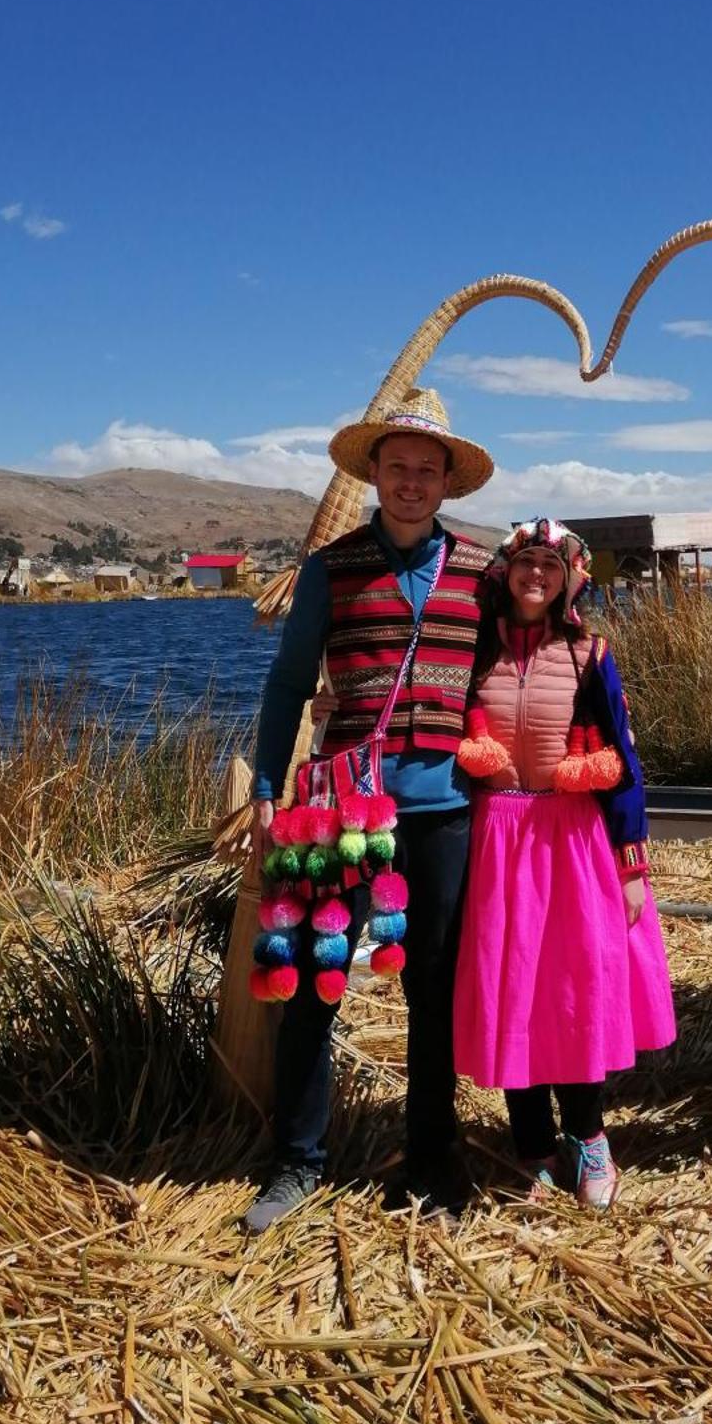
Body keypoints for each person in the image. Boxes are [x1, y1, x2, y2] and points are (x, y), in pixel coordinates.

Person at [244, 389, 493, 1232]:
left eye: (427, 470)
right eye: (398, 468)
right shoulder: (332, 570)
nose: (412, 482)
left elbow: (504, 686)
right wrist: (267, 785)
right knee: (317, 979)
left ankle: (431, 1159)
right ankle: (296, 1163)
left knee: (432, 988)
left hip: (446, 813)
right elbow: (287, 684)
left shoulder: (480, 576)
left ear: (446, 482)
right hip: (343, 811)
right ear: (375, 475)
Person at [452, 518, 676, 1208]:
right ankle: (534, 1147)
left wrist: (631, 864)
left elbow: (624, 759)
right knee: (515, 986)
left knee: (575, 988)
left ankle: (589, 1138)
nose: (537, 576)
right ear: (506, 573)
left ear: (570, 579)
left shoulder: (590, 654)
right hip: (500, 838)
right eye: (526, 564)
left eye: (551, 565)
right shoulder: (475, 653)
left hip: (572, 838)